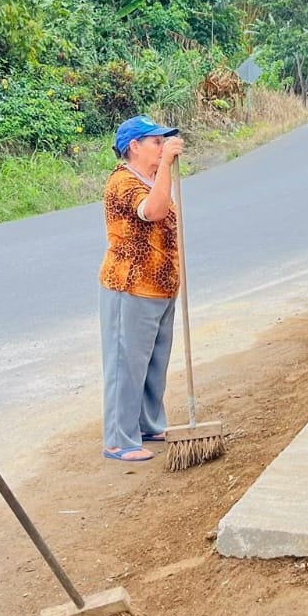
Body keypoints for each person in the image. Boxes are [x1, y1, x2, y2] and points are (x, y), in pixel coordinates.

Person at [100, 114, 184, 462]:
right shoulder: (123, 182)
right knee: (127, 364)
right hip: (131, 285)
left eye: (163, 141)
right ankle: (119, 439)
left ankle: (148, 424)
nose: (163, 147)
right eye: (156, 142)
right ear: (134, 146)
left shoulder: (151, 178)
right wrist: (165, 165)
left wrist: (163, 168)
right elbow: (154, 211)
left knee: (153, 362)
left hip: (161, 286)